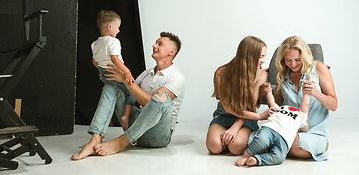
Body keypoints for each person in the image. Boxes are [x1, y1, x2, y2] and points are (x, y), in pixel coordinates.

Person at [71, 32, 185, 160]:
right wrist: (114, 78)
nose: (154, 45)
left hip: (158, 137)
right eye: (155, 42)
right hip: (137, 131)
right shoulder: (146, 74)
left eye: (160, 44)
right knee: (112, 87)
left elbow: (153, 104)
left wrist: (124, 79)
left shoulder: (177, 78)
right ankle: (96, 139)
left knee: (161, 98)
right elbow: (130, 92)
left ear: (171, 52)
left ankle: (121, 142)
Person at [260, 36, 337, 161]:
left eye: (297, 60)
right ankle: (278, 147)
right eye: (288, 60)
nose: (293, 64)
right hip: (288, 130)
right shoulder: (283, 73)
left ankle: (275, 147)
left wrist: (315, 93)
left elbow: (333, 105)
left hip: (313, 133)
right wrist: (267, 93)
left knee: (292, 145)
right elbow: (278, 107)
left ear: (304, 56)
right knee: (253, 138)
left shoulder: (319, 69)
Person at [206, 36, 275, 156]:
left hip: (245, 118)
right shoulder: (221, 73)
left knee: (236, 147)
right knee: (214, 146)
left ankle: (237, 138)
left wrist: (235, 128)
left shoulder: (260, 74)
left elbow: (250, 106)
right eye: (260, 57)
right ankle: (228, 140)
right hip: (224, 115)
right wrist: (259, 116)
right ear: (248, 55)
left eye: (264, 56)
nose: (263, 61)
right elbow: (227, 108)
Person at [235, 84, 310, 167]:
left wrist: (307, 94)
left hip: (284, 139)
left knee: (280, 157)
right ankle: (246, 156)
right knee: (261, 140)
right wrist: (268, 91)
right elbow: (272, 102)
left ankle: (257, 160)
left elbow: (305, 106)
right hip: (270, 128)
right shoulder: (280, 108)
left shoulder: (300, 117)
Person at [91, 10, 135, 130]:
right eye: (118, 27)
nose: (119, 30)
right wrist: (127, 72)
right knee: (132, 92)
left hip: (105, 75)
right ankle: (125, 117)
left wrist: (102, 71)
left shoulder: (94, 44)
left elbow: (95, 62)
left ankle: (107, 116)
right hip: (115, 73)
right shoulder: (113, 41)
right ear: (110, 27)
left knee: (113, 93)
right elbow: (115, 60)